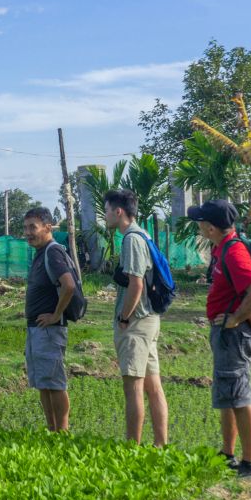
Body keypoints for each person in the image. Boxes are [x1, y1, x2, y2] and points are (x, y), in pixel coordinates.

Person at [189, 199, 251, 480]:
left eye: (200, 222)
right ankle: (228, 453)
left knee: (238, 395)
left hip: (235, 334)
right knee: (226, 393)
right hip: (225, 333)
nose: (198, 225)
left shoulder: (234, 253)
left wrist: (235, 318)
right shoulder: (222, 248)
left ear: (210, 227)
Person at [104, 189, 169, 447]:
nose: (105, 216)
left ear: (118, 211)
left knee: (133, 388)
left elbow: (136, 284)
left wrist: (123, 317)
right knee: (153, 387)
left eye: (107, 210)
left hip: (136, 323)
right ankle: (160, 445)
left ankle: (133, 448)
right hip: (149, 319)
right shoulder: (144, 234)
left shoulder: (131, 239)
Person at [23, 207, 75, 431]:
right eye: (25, 228)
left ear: (47, 227)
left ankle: (62, 431)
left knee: (54, 382)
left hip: (49, 330)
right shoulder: (40, 252)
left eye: (32, 227)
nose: (28, 232)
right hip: (37, 329)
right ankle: (51, 430)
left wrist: (55, 315)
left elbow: (69, 285)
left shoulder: (53, 252)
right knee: (43, 383)